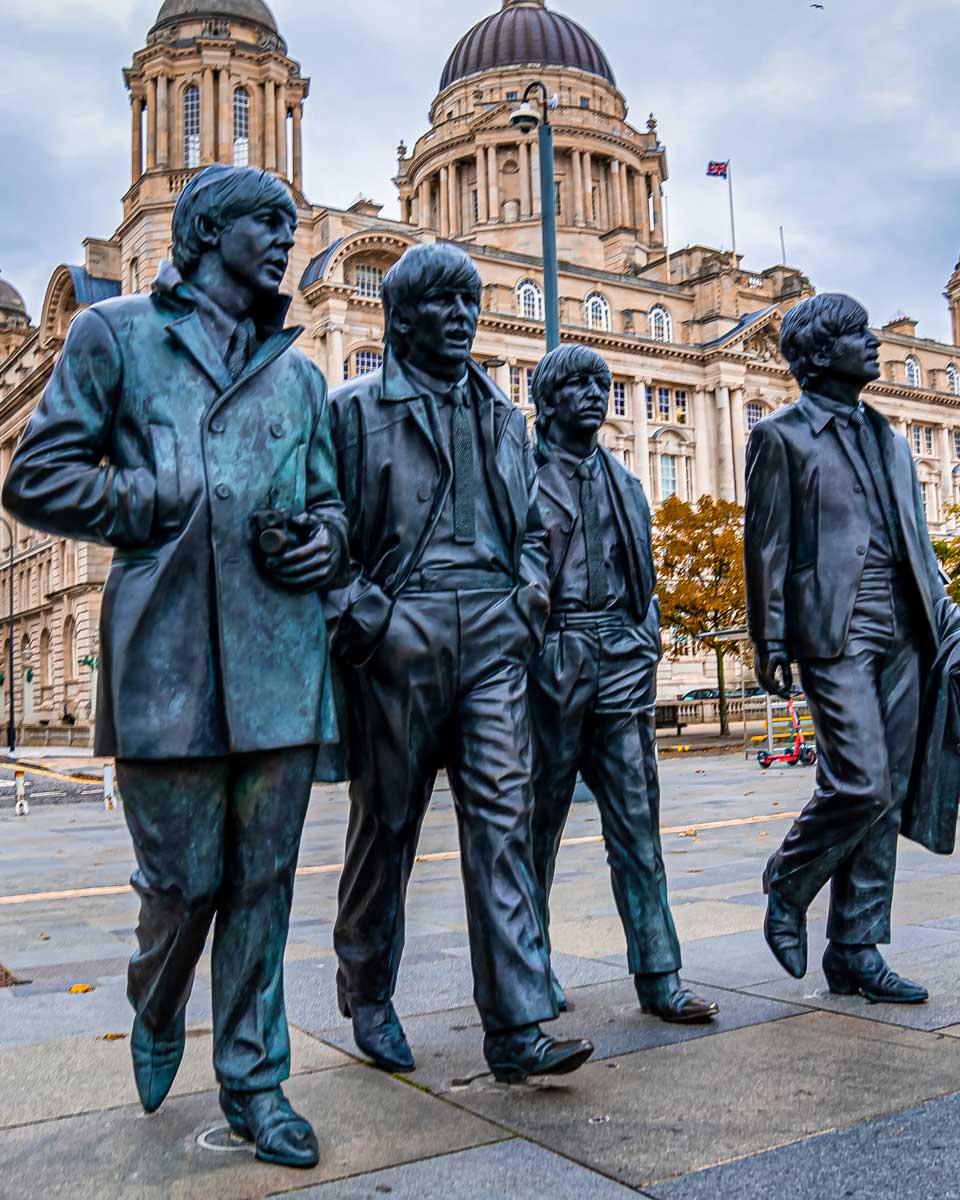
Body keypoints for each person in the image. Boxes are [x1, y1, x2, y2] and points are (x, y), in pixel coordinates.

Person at [2, 164, 349, 1168]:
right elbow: (40, 472)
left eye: (291, 224)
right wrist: (145, 504)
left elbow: (328, 506)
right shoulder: (116, 336)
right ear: (205, 231)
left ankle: (256, 1080)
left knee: (264, 885)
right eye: (265, 223)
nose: (284, 240)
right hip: (165, 655)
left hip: (281, 656)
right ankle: (154, 1000)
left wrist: (322, 544)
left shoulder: (299, 373)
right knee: (185, 881)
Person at [325, 243, 594, 1084]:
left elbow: (531, 533)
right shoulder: (351, 409)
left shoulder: (505, 417)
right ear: (401, 317)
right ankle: (368, 992)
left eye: (470, 302)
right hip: (400, 639)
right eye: (444, 303)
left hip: (493, 636)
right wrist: (369, 621)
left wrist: (527, 604)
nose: (464, 317)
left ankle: (515, 1027)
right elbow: (321, 534)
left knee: (504, 824)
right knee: (387, 828)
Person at [745, 292, 948, 1003]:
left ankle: (856, 949)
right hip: (835, 626)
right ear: (820, 352)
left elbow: (918, 542)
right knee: (858, 781)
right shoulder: (782, 436)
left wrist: (944, 616)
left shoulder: (892, 438)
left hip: (906, 624)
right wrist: (768, 636)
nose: (873, 343)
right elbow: (767, 543)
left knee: (885, 796)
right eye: (857, 333)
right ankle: (788, 878)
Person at [527, 344, 718, 1023]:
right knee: (533, 830)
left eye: (600, 384)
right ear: (545, 399)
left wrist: (645, 641)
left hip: (621, 660)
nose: (593, 394)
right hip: (550, 662)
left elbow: (645, 576)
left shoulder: (627, 482)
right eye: (576, 384)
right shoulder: (517, 476)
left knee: (639, 828)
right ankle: (530, 972)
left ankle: (659, 973)